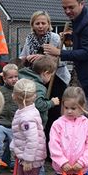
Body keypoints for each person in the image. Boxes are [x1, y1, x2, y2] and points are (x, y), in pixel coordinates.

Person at [0, 79, 46, 175]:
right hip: (24, 155)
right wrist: (15, 148)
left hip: (31, 159)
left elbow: (33, 140)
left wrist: (28, 159)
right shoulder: (23, 111)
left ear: (14, 96)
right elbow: (20, 137)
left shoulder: (26, 118)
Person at [21, 11, 71, 144]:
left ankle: (55, 144)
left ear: (49, 24)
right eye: (37, 23)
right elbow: (23, 57)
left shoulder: (55, 38)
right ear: (32, 25)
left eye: (44, 23)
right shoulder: (29, 39)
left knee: (54, 112)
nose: (41, 26)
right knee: (39, 110)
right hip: (38, 80)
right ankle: (39, 143)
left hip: (56, 79)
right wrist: (27, 58)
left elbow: (63, 60)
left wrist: (44, 59)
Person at [18, 56, 60, 175]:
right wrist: (52, 103)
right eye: (51, 75)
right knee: (39, 153)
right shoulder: (39, 87)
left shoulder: (23, 79)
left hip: (22, 122)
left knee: (25, 151)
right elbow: (39, 104)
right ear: (46, 73)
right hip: (35, 125)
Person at [0, 63, 19, 169]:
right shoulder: (0, 91)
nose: (14, 79)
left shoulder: (19, 91)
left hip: (14, 124)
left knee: (13, 146)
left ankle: (12, 163)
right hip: (2, 123)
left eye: (16, 77)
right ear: (4, 78)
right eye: (11, 77)